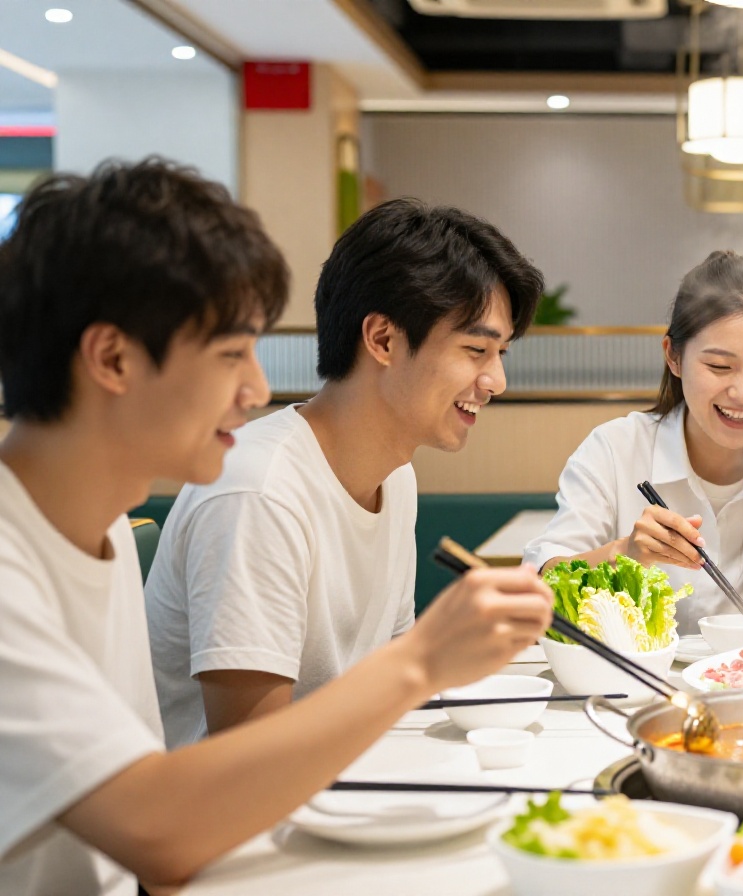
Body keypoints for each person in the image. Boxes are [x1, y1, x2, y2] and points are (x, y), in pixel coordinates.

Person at [0, 159, 552, 895]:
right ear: (113, 358)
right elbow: (159, 833)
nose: (256, 389)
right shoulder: (18, 563)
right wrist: (422, 660)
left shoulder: (91, 531)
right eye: (231, 354)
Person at [145, 199, 543, 746]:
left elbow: (388, 687)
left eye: (501, 354)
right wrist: (426, 660)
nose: (496, 380)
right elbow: (251, 750)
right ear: (382, 339)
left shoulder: (395, 477)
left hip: (346, 773)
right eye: (476, 349)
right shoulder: (260, 491)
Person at [526, 250, 743, 638]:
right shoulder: (615, 450)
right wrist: (624, 554)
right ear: (674, 357)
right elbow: (539, 589)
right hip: (638, 676)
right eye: (719, 366)